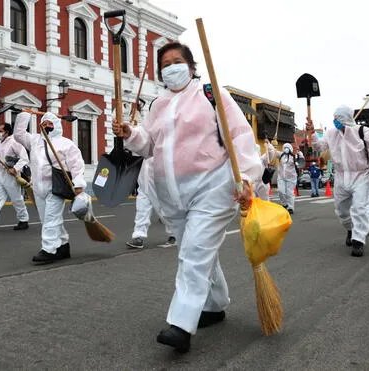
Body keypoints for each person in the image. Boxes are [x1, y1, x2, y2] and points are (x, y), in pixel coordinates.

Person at [112, 42, 262, 353]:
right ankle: (215, 302)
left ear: (191, 66)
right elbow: (149, 144)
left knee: (193, 252)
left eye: (177, 61)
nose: (171, 68)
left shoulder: (211, 94)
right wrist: (131, 134)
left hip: (213, 187)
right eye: (165, 64)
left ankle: (181, 323)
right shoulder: (158, 104)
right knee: (197, 249)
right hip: (172, 196)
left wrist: (247, 177)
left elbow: (239, 135)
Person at [308, 105, 369, 257]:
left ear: (345, 118)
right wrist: (313, 133)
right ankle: (350, 229)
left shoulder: (363, 132)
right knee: (341, 210)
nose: (335, 121)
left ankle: (358, 240)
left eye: (337, 118)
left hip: (361, 176)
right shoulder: (331, 133)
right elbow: (319, 146)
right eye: (334, 118)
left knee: (360, 208)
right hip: (341, 176)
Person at [14, 111, 86, 265]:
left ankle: (49, 249)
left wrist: (78, 184)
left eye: (50, 124)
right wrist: (24, 114)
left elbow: (76, 165)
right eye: (44, 123)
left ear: (57, 125)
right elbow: (19, 135)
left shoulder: (66, 143)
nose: (47, 126)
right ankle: (63, 246)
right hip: (37, 187)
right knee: (46, 219)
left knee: (51, 219)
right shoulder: (34, 141)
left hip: (56, 187)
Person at [126, 156, 177, 249]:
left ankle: (174, 233)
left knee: (163, 209)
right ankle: (138, 236)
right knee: (141, 209)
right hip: (144, 179)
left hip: (160, 179)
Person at [276, 143, 302, 214]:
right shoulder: (281, 155)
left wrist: (299, 152)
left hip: (291, 179)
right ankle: (284, 204)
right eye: (285, 147)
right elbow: (272, 151)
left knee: (289, 193)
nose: (286, 149)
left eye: (287, 147)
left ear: (290, 148)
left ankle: (290, 207)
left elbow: (301, 162)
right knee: (281, 191)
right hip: (281, 177)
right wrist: (270, 144)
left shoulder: (294, 157)